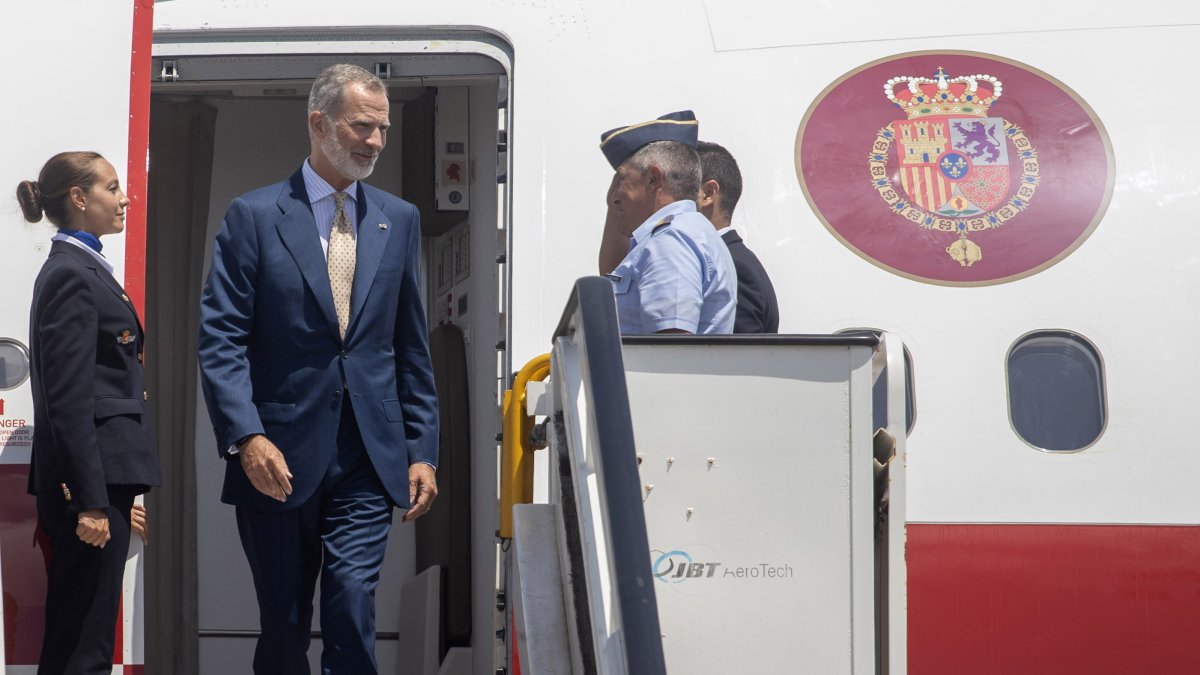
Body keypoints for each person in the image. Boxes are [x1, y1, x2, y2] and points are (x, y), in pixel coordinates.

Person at [197, 64, 439, 675]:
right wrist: (246, 437)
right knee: (282, 625)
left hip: (367, 454)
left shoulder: (398, 218)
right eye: (363, 126)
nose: (377, 141)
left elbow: (411, 345)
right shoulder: (252, 217)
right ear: (318, 123)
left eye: (383, 128)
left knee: (352, 604)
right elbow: (221, 337)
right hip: (277, 456)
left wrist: (422, 450)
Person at [18, 151, 161, 675]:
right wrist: (91, 503)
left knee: (87, 635)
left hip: (105, 483)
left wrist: (117, 497)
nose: (125, 198)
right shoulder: (73, 275)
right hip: (90, 492)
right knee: (84, 647)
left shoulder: (86, 268)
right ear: (79, 199)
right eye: (112, 187)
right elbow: (70, 400)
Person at [596, 110, 737, 334]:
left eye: (622, 179)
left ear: (653, 179)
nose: (614, 196)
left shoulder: (671, 241)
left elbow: (671, 351)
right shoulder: (682, 233)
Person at [695, 141, 780, 333]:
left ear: (708, 194)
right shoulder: (730, 258)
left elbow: (740, 357)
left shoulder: (733, 266)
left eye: (680, 187)